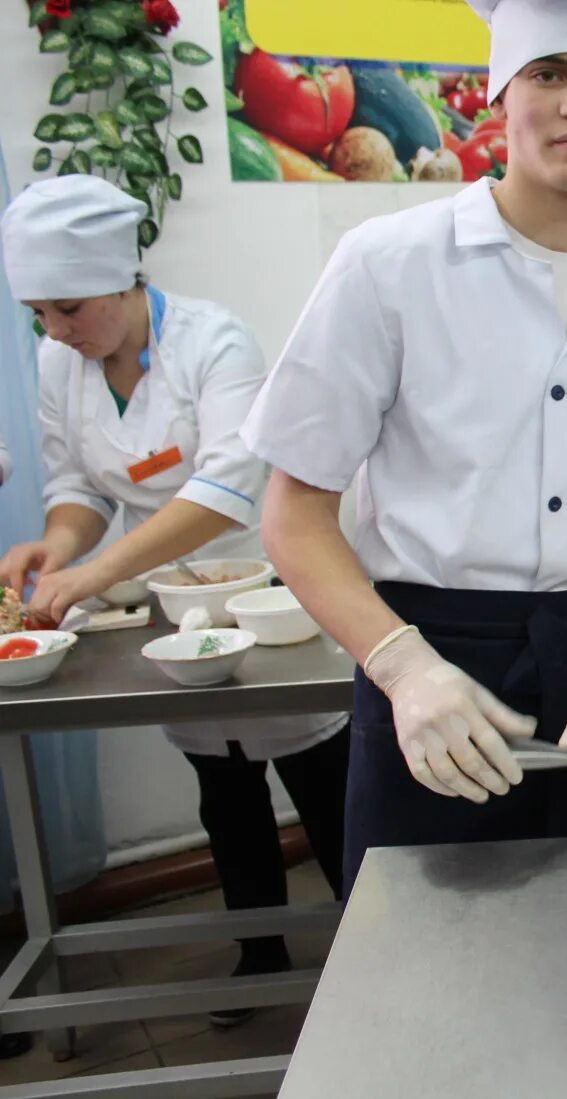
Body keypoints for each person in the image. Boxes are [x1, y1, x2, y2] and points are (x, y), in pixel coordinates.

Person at [242, 0, 567, 894]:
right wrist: (403, 670)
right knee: (426, 979)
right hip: (431, 661)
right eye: (547, 74)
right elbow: (293, 512)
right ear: (499, 97)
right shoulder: (390, 265)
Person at [0, 176, 350, 1024]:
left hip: (267, 587)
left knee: (324, 780)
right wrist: (59, 545)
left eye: (70, 309)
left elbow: (228, 486)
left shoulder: (213, 340)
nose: (56, 330)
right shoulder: (62, 361)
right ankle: (258, 951)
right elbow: (80, 484)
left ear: (122, 279)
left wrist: (91, 574)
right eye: (40, 313)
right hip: (170, 603)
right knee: (221, 782)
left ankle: (374, 949)